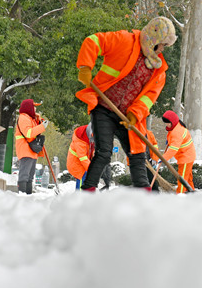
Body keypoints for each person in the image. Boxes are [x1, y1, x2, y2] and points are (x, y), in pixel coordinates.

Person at [75, 17, 176, 191]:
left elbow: (148, 98)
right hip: (104, 108)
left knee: (137, 155)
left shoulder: (159, 71)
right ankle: (88, 191)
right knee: (104, 152)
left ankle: (144, 194)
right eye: (161, 45)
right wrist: (85, 66)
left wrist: (134, 114)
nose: (161, 51)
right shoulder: (124, 40)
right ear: (152, 37)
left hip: (129, 117)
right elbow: (94, 41)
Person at [14, 99, 47, 194]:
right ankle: (22, 195)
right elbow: (29, 133)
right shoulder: (23, 118)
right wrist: (42, 127)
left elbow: (36, 131)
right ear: (29, 107)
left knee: (30, 176)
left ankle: (28, 196)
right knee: (25, 175)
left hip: (31, 150)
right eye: (34, 106)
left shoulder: (30, 118)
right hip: (25, 149)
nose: (35, 108)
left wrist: (38, 120)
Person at [66, 123, 113, 190]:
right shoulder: (80, 139)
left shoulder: (90, 136)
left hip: (84, 163)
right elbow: (83, 157)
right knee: (84, 177)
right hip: (76, 163)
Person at [160, 109, 196, 194]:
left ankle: (180, 195)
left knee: (182, 179)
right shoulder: (176, 125)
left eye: (168, 123)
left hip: (185, 157)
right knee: (188, 178)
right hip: (188, 155)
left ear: (173, 121)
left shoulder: (177, 131)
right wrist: (169, 141)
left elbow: (173, 149)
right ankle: (192, 193)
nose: (166, 125)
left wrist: (162, 158)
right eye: (165, 123)